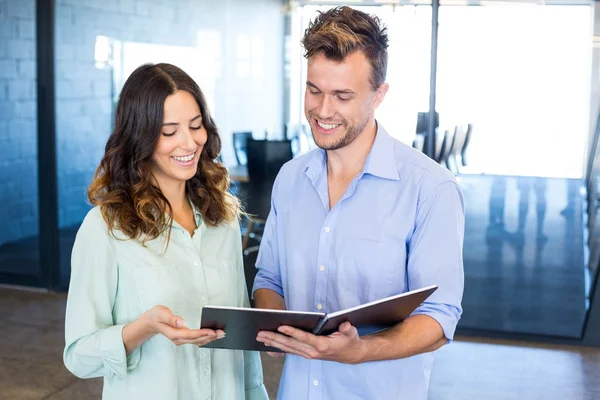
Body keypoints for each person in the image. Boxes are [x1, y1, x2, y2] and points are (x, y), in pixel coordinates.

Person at [253, 6, 464, 400]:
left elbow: (438, 317)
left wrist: (360, 351)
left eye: (343, 96)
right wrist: (285, 330)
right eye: (314, 90)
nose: (323, 110)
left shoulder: (430, 188)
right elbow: (269, 280)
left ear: (379, 94)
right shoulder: (290, 180)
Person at [63, 63, 268, 400]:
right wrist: (141, 329)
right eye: (169, 131)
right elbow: (79, 357)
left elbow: (241, 342)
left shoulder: (224, 217)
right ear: (140, 137)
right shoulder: (105, 228)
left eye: (196, 125)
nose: (189, 142)